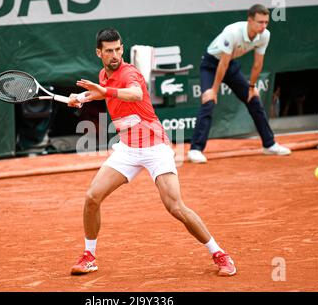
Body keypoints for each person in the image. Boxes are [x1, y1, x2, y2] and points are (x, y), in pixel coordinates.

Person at [67, 28, 236, 277]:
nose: (114, 54)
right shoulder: (104, 74)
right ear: (99, 52)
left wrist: (105, 92)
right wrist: (80, 98)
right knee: (92, 197)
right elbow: (102, 92)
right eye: (109, 51)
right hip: (127, 147)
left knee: (175, 207)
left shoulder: (130, 72)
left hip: (155, 146)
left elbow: (134, 94)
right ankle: (89, 256)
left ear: (122, 49)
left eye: (117, 49)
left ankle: (219, 254)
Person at [188, 4, 291, 163]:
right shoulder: (232, 32)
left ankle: (269, 145)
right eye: (259, 22)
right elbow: (222, 64)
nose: (263, 26)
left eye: (266, 22)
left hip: (230, 65)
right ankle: (195, 149)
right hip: (211, 65)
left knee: (253, 100)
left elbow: (257, 64)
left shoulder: (265, 35)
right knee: (208, 102)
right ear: (249, 20)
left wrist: (251, 87)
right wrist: (214, 90)